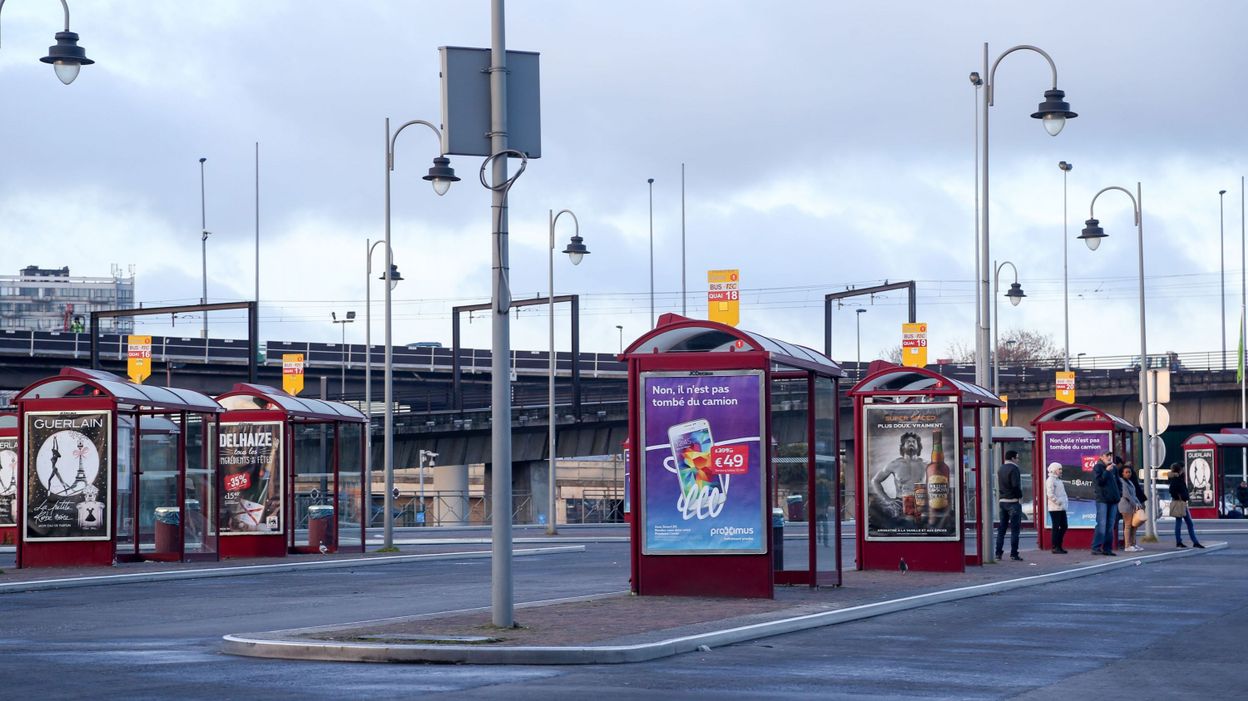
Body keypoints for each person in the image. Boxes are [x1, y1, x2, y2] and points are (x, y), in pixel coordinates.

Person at [1167, 462, 1205, 548]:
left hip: (1181, 502)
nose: (1184, 470)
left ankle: (1184, 541)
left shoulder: (1177, 478)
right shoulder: (1176, 479)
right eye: (1183, 468)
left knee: (1184, 522)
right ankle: (1190, 542)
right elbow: (1172, 490)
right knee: (1184, 523)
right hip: (1180, 503)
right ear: (1180, 469)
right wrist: (1180, 497)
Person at [1091, 450, 1121, 556]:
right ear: (1101, 457)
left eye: (1110, 455)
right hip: (1103, 500)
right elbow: (1099, 482)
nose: (1109, 457)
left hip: (1113, 500)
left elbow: (1118, 482)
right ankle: (1096, 547)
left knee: (1110, 525)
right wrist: (1107, 471)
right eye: (1107, 455)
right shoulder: (1098, 468)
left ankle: (1107, 549)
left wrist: (1119, 494)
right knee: (1102, 524)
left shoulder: (1114, 468)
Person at [995, 449, 1023, 561]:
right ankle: (1014, 554)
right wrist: (1019, 496)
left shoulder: (1001, 468)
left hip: (1002, 501)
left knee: (1002, 529)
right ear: (1012, 458)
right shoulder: (1014, 469)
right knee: (1015, 530)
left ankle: (998, 553)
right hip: (1013, 502)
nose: (1018, 459)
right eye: (1017, 457)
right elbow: (1015, 485)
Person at [1118, 463, 1145, 552]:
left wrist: (1138, 503)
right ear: (1122, 473)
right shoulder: (1121, 481)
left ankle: (1133, 543)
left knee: (1134, 526)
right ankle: (1127, 545)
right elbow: (1126, 495)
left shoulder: (1130, 481)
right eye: (1126, 472)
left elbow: (1134, 494)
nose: (1128, 474)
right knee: (1128, 525)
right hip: (1125, 506)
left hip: (1132, 506)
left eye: (1129, 472)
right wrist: (1135, 504)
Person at [1045, 461, 1069, 554]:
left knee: (1064, 526)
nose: (1061, 471)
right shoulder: (1051, 480)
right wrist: (1058, 502)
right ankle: (1055, 546)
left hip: (1061, 507)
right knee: (1056, 527)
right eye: (1059, 469)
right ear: (1054, 470)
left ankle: (1059, 545)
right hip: (1055, 508)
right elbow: (1050, 494)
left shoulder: (1058, 480)